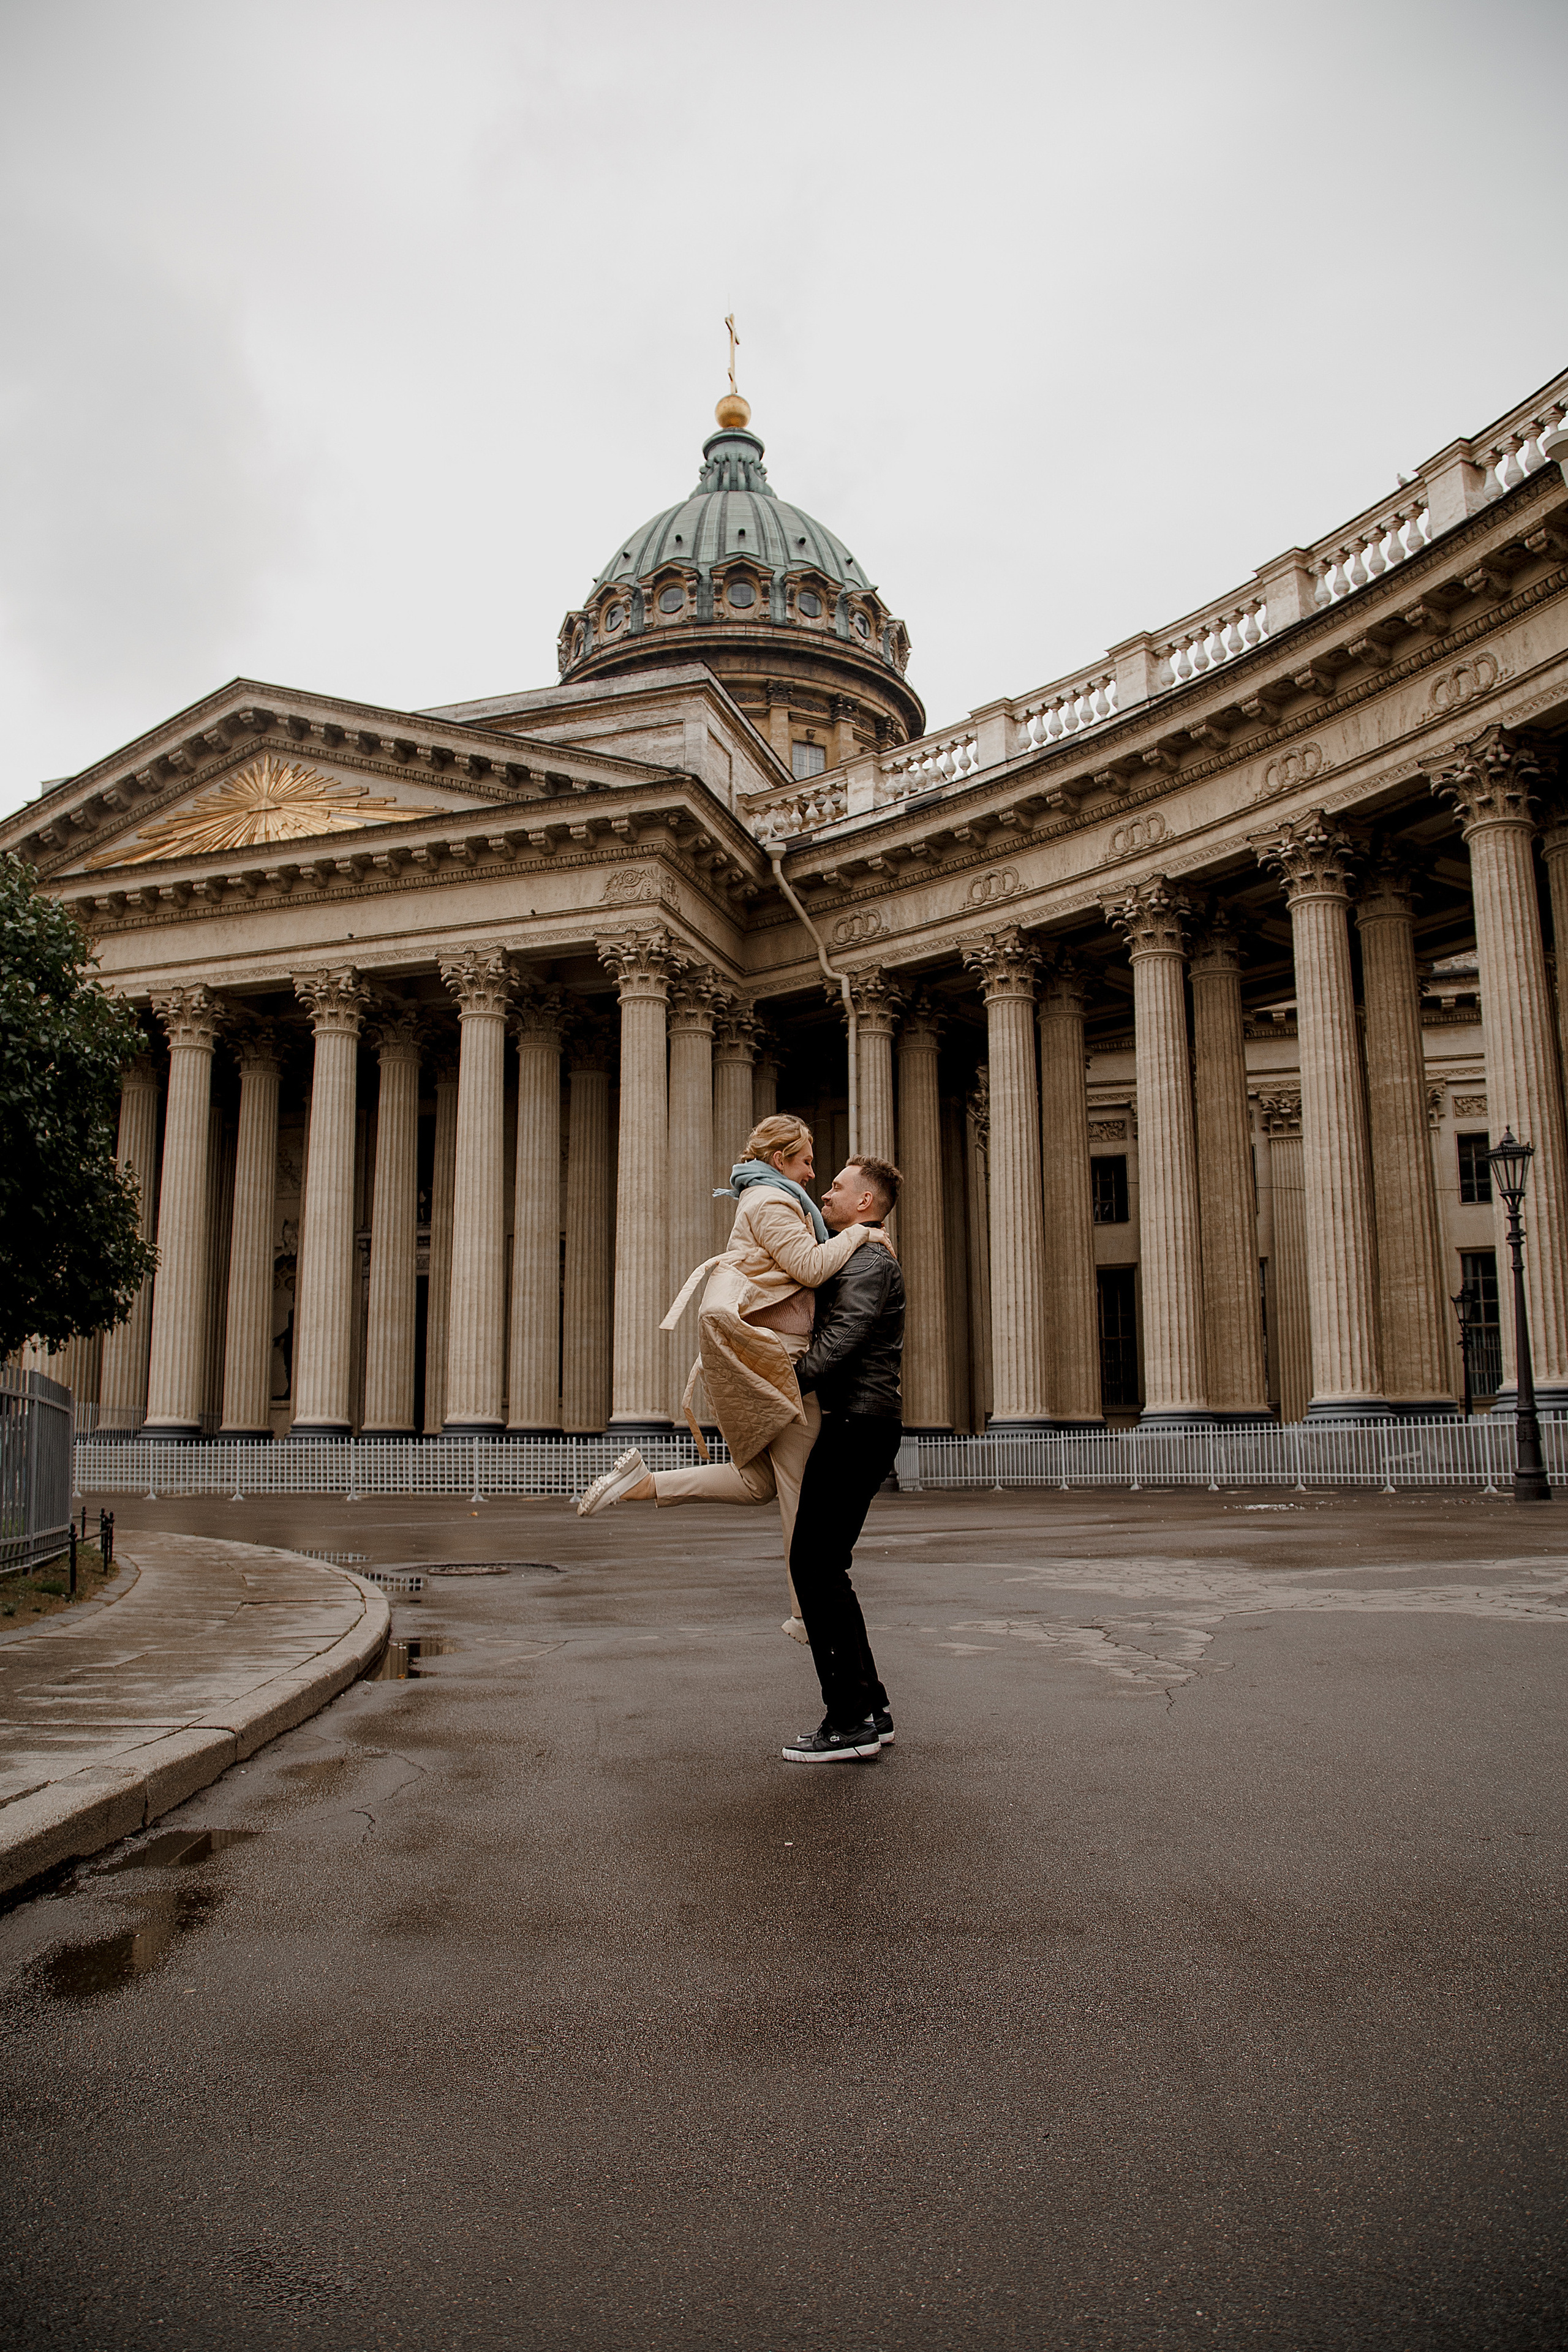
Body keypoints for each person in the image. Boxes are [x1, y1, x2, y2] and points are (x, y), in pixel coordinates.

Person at [575, 1115, 890, 1639]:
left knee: (758, 1482)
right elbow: (811, 1269)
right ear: (779, 1160)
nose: (814, 1174)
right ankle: (805, 1611)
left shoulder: (770, 1199)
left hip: (772, 1356)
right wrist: (864, 1233)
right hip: (782, 1362)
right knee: (798, 1493)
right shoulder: (770, 1202)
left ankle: (644, 1484)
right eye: (807, 1161)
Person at [780, 1153, 905, 1763]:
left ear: (864, 1203)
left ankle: (849, 1719)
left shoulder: (868, 1259)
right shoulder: (860, 1256)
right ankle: (869, 1708)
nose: (824, 1194)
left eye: (836, 1187)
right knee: (826, 1566)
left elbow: (843, 1339)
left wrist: (779, 1383)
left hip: (858, 1422)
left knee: (813, 1566)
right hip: (860, 1421)